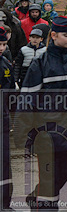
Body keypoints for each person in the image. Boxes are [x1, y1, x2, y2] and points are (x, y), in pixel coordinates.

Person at [17, 16, 67, 210]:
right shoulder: (40, 62)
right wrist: (23, 133)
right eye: (66, 35)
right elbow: (27, 99)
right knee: (49, 176)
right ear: (53, 35)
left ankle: (36, 197)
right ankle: (45, 206)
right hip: (45, 132)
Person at [0, 28, 15, 210]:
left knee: (4, 164)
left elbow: (10, 93)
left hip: (2, 121)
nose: (1, 48)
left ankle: (4, 203)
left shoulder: (5, 64)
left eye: (4, 44)